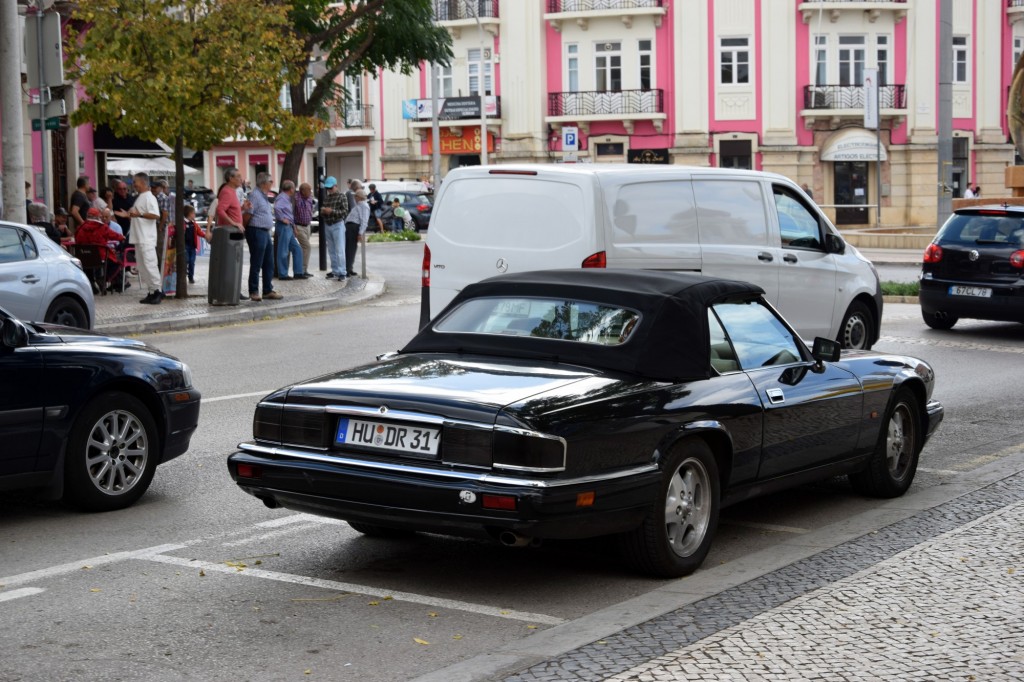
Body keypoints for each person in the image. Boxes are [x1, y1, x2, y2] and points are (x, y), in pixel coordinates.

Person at [115, 172, 163, 304]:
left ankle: (158, 291)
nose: (134, 184)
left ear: (143, 182)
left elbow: (155, 215)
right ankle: (151, 291)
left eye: (135, 182)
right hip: (138, 237)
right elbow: (136, 215)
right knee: (142, 267)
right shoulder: (140, 197)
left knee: (150, 264)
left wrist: (139, 214)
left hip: (146, 238)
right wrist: (127, 215)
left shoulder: (149, 197)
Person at [242, 172, 282, 302]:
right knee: (257, 262)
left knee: (268, 262)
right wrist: (244, 228)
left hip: (265, 232)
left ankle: (267, 290)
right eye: (271, 181)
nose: (272, 184)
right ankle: (253, 291)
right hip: (256, 231)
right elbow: (248, 214)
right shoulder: (255, 195)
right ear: (264, 183)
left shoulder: (263, 196)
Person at [75, 207, 125, 289]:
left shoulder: (80, 228)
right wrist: (122, 237)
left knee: (88, 263)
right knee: (116, 263)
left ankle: (91, 283)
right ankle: (104, 279)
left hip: (84, 256)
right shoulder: (102, 227)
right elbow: (114, 235)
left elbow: (77, 241)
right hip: (100, 256)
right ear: (98, 216)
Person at [273, 179, 307, 279]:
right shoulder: (282, 198)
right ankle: (283, 274)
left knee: (297, 249)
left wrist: (293, 227)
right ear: (291, 189)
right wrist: (282, 219)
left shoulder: (285, 198)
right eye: (294, 188)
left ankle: (298, 272)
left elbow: (287, 213)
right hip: (284, 226)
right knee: (283, 250)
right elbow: (277, 208)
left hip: (289, 227)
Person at [320, 176, 349, 280]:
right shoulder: (327, 198)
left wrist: (331, 211)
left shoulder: (342, 196)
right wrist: (324, 211)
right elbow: (322, 212)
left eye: (331, 188)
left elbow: (345, 212)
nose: (329, 190)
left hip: (338, 224)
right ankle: (335, 270)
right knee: (331, 250)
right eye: (328, 188)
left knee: (339, 249)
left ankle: (342, 272)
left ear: (336, 186)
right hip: (328, 224)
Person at [345, 188, 371, 277]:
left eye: (355, 196)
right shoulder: (360, 205)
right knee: (350, 248)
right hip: (351, 227)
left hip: (353, 227)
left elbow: (364, 220)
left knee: (350, 249)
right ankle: (349, 268)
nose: (354, 198)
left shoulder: (363, 206)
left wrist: (360, 233)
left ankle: (347, 269)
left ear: (359, 197)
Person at [180, 205, 206, 284]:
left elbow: (199, 232)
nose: (194, 215)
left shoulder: (194, 223)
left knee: (192, 262)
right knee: (186, 260)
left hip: (192, 246)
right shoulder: (182, 223)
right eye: (193, 213)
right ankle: (183, 275)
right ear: (188, 214)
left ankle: (191, 276)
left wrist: (206, 236)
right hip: (185, 246)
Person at [294, 182, 315, 275]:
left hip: (307, 225)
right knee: (307, 247)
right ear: (302, 191)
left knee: (304, 248)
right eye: (309, 190)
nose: (310, 192)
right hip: (299, 226)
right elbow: (292, 213)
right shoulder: (296, 199)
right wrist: (294, 227)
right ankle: (302, 270)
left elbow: (311, 209)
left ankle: (304, 269)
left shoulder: (309, 198)